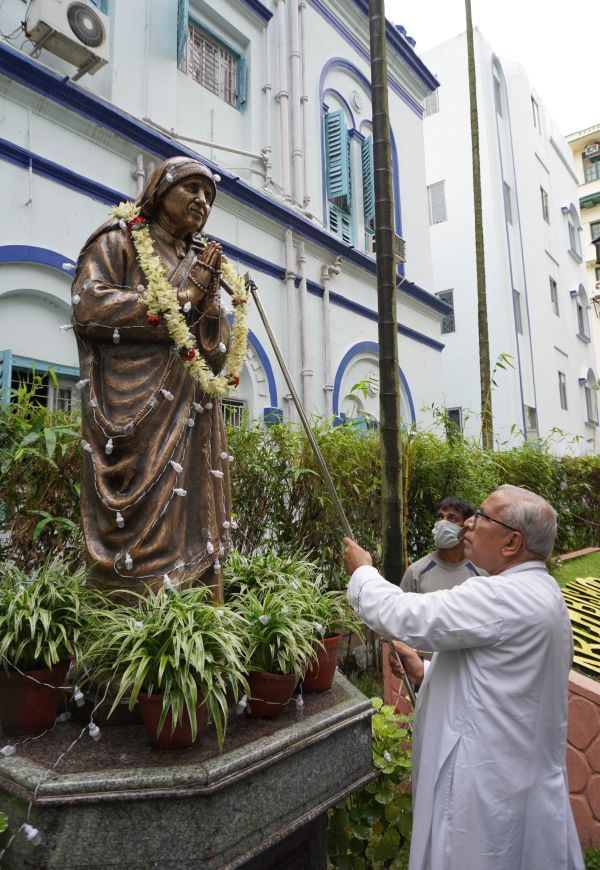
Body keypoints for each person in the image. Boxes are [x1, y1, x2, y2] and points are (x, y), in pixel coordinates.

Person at [343, 485, 584, 870]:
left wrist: (363, 573)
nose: (469, 524)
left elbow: (406, 615)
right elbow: (494, 675)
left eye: (483, 516)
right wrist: (425, 672)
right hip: (514, 778)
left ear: (511, 543)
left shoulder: (501, 596)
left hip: (484, 791)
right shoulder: (544, 591)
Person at [72, 157, 236, 600]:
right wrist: (182, 296)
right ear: (161, 190)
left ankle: (195, 629)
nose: (202, 201)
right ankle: (132, 621)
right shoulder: (121, 240)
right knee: (137, 533)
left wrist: (209, 307)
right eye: (193, 189)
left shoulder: (200, 258)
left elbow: (213, 356)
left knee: (194, 516)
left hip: (194, 414)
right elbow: (89, 306)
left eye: (209, 195)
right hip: (137, 412)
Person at [400, 497, 486, 593]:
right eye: (439, 517)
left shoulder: (482, 572)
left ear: (466, 528)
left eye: (452, 519)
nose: (443, 523)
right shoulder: (416, 573)